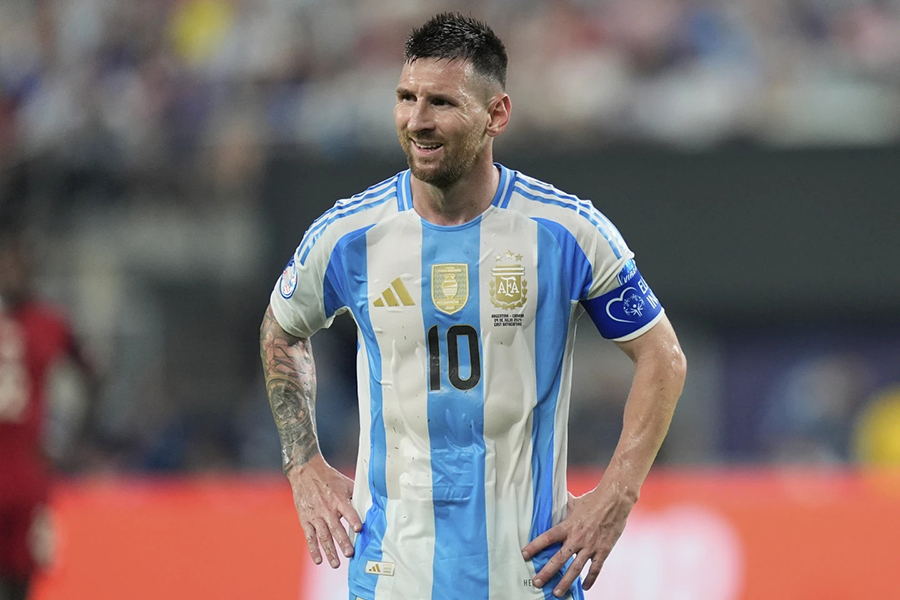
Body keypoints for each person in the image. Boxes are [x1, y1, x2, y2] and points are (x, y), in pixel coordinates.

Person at [260, 13, 686, 600]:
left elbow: (663, 357)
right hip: (392, 575)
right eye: (406, 98)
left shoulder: (566, 232)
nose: (417, 120)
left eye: (441, 102)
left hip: (527, 575)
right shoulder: (349, 234)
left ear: (497, 114)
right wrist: (302, 463)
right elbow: (281, 330)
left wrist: (616, 495)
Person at [0, 226, 98, 600]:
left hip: (27, 472)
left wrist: (70, 437)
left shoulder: (49, 322)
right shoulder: (48, 323)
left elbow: (93, 373)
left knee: (22, 576)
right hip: (23, 469)